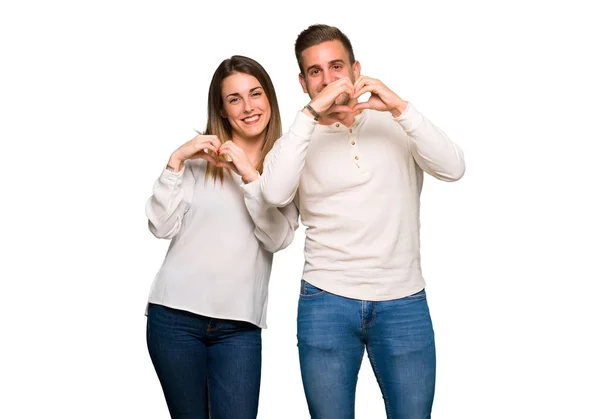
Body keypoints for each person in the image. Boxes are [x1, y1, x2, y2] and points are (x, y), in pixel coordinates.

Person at [259, 25, 466, 418]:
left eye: (336, 66)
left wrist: (400, 106)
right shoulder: (296, 141)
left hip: (403, 299)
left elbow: (454, 168)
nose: (328, 79)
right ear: (303, 83)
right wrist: (309, 116)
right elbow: (273, 194)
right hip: (326, 300)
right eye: (315, 72)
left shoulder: (397, 125)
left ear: (356, 69)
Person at [144, 55, 297, 419]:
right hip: (175, 318)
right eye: (234, 99)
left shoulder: (286, 165)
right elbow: (160, 226)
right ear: (223, 110)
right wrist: (176, 160)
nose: (248, 107)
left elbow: (278, 238)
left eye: (255, 94)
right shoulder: (202, 159)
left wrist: (248, 175)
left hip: (239, 326)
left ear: (270, 98)